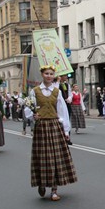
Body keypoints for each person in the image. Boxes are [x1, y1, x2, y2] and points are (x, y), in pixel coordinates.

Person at [29, 65, 77, 201]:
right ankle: (42, 182)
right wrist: (34, 115)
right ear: (42, 75)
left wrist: (66, 130)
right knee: (43, 157)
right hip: (41, 127)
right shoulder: (35, 91)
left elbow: (62, 111)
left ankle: (54, 190)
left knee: (56, 157)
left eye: (51, 74)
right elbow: (29, 108)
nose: (49, 76)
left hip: (54, 126)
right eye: (46, 73)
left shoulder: (57, 91)